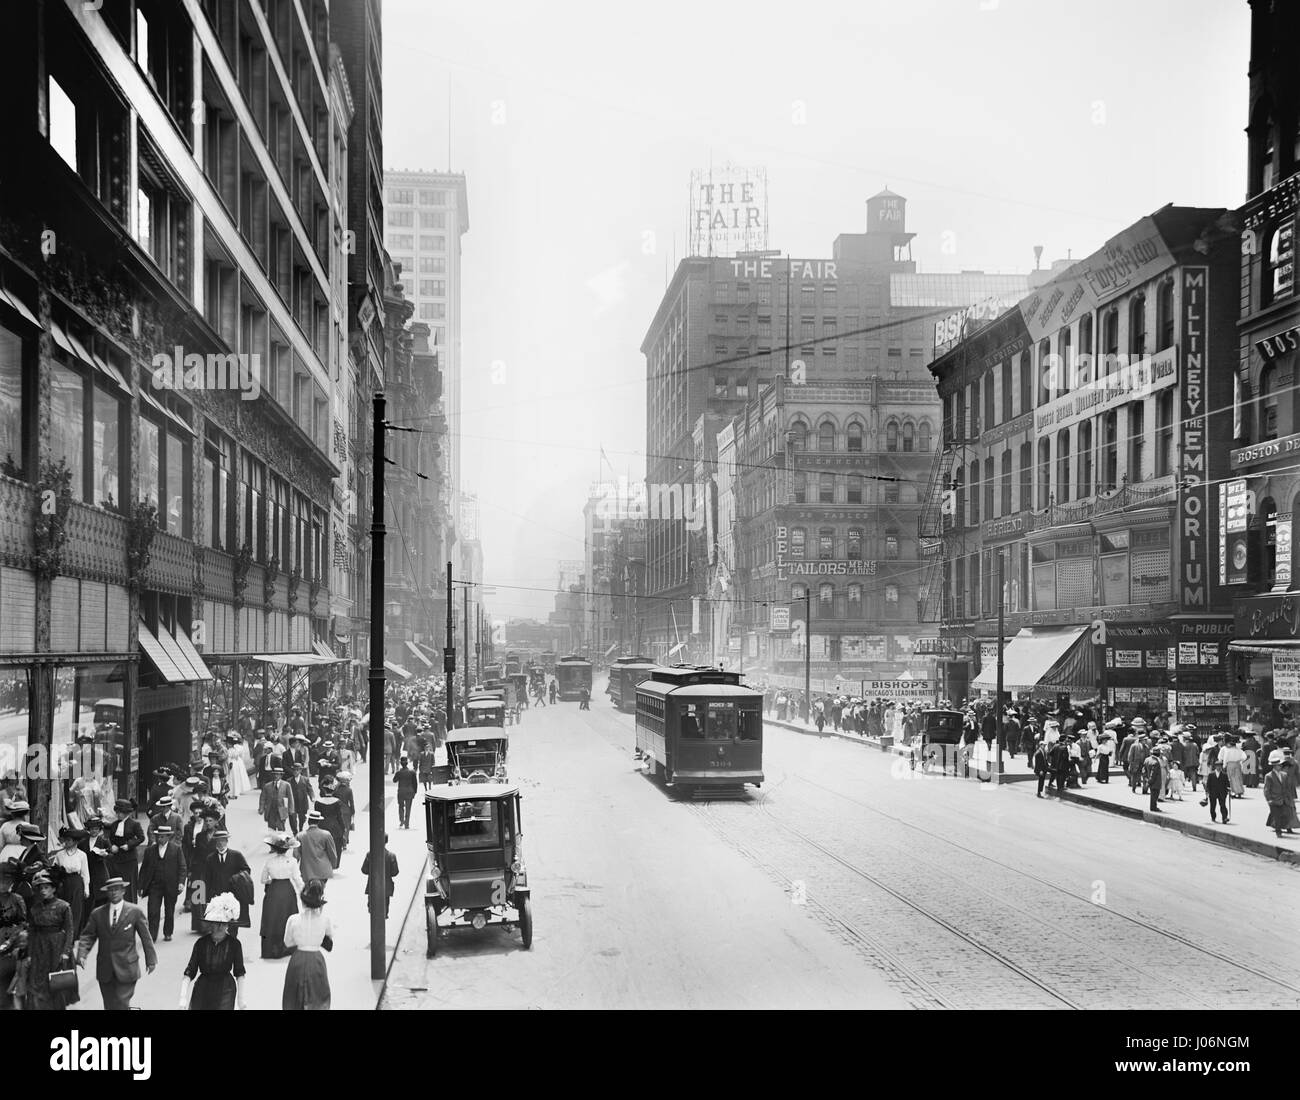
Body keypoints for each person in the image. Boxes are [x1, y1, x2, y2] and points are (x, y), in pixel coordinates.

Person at [76, 876, 155, 1010]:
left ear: (123, 891)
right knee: (109, 1005)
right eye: (111, 890)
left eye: (117, 889)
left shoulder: (134, 912)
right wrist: (82, 954)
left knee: (121, 1002)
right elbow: (88, 935)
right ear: (107, 892)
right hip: (105, 969)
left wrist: (151, 960)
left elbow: (146, 938)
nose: (114, 893)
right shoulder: (97, 914)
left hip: (127, 967)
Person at [179, 892, 247, 1010]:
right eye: (216, 923)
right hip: (203, 988)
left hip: (226, 989)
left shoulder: (234, 944)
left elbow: (239, 972)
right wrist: (183, 997)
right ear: (210, 924)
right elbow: (190, 971)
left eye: (223, 924)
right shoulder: (201, 943)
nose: (219, 927)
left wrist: (241, 999)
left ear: (228, 925)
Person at [26, 871, 77, 1010]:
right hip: (39, 947)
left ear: (54, 889)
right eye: (40, 888)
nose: (43, 891)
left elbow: (70, 930)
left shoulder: (64, 906)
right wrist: (30, 954)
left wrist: (66, 952)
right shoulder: (35, 909)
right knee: (38, 984)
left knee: (57, 983)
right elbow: (31, 932)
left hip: (57, 947)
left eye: (46, 887)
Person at [283, 878, 333, 1010]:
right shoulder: (325, 920)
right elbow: (329, 939)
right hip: (316, 959)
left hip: (298, 958)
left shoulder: (293, 919)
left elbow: (288, 942)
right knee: (318, 996)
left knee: (293, 996)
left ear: (303, 901)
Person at [138, 825, 185, 943]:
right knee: (152, 910)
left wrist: (181, 882)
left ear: (168, 837)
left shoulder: (176, 849)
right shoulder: (150, 851)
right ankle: (152, 935)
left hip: (171, 885)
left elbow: (182, 867)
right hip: (155, 885)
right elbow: (143, 869)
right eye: (158, 836)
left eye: (162, 837)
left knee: (169, 910)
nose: (160, 839)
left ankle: (168, 932)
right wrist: (141, 886)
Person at [199, 830, 252, 933]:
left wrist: (237, 878)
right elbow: (206, 879)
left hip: (233, 897)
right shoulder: (210, 859)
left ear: (227, 841)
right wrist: (206, 899)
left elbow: (246, 871)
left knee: (233, 926)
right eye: (218, 841)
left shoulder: (236, 855)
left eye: (223, 840)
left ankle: (232, 945)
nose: (220, 843)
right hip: (217, 898)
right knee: (217, 926)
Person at [260, 834, 303, 959]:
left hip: (273, 891)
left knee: (272, 919)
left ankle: (271, 949)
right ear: (287, 849)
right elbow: (297, 879)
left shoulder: (269, 862)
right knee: (287, 918)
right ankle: (287, 948)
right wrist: (303, 893)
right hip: (287, 891)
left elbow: (263, 880)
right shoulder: (293, 862)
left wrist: (272, 881)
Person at [50, 827, 90, 935]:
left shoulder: (82, 855)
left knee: (75, 910)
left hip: (76, 883)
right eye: (65, 840)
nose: (66, 842)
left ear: (75, 842)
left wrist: (86, 889)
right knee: (63, 907)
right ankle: (62, 933)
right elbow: (53, 869)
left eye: (69, 840)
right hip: (63, 883)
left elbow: (85, 873)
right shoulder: (60, 854)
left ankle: (72, 935)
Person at [103, 799, 145, 901]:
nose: (118, 815)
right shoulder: (114, 825)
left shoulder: (134, 824)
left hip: (129, 860)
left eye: (121, 813)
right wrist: (111, 846)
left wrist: (129, 845)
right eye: (117, 812)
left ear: (126, 813)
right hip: (116, 860)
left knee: (129, 886)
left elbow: (141, 837)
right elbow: (110, 839)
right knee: (117, 885)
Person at [0, 863, 27, 1010]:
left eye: (7, 882)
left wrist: (10, 941)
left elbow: (23, 924)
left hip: (11, 951)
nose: (4, 885)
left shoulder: (17, 899)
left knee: (11, 991)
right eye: (1, 881)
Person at [1263, 750, 1299, 837]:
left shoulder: (1284, 775)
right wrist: (1269, 799)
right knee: (1277, 816)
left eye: (1280, 765)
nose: (1280, 766)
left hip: (1284, 798)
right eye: (1279, 765)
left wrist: (1289, 797)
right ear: (1274, 766)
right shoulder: (1269, 776)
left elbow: (1286, 788)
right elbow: (1267, 789)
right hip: (1274, 799)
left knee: (1287, 814)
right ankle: (1278, 832)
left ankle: (1287, 828)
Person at [360, 837, 399, 919]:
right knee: (385, 904)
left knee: (372, 908)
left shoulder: (369, 854)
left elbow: (364, 870)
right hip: (386, 886)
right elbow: (395, 872)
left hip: (373, 886)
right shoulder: (391, 856)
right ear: (386, 841)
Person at [296, 810, 337, 882]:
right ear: (318, 822)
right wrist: (333, 865)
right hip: (323, 871)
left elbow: (296, 855)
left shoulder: (300, 836)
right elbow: (332, 853)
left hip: (307, 872)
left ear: (308, 821)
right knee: (320, 891)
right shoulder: (326, 835)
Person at [259, 766, 293, 832]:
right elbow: (262, 798)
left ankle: (281, 841)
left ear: (281, 775)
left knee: (281, 829)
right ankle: (272, 841)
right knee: (271, 828)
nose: (276, 776)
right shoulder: (267, 786)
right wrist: (261, 808)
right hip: (271, 810)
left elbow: (290, 798)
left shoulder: (286, 785)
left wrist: (291, 809)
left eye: (278, 774)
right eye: (274, 774)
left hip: (281, 810)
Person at [287, 763, 314, 836]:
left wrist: (312, 797)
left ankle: (301, 828)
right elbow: (286, 792)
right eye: (294, 770)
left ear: (300, 771)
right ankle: (295, 832)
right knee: (292, 818)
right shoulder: (289, 781)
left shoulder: (305, 779)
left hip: (303, 802)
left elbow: (310, 789)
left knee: (302, 818)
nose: (295, 772)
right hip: (293, 802)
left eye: (297, 770)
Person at [1205, 759, 1231, 824]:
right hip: (1213, 792)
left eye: (1220, 766)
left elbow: (1227, 784)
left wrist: (1229, 789)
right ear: (1215, 767)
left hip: (1222, 793)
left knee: (1223, 806)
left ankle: (1224, 818)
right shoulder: (1211, 774)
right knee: (1213, 806)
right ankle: (1213, 817)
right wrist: (1207, 792)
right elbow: (1208, 784)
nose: (1219, 767)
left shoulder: (1224, 775)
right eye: (1217, 766)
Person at [395, 758, 418, 829]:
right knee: (408, 808)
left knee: (401, 807)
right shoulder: (412, 772)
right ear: (407, 763)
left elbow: (394, 780)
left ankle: (402, 820)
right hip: (409, 792)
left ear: (401, 763)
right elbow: (415, 783)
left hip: (401, 792)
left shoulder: (399, 772)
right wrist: (415, 792)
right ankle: (407, 823)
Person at [1142, 748, 1163, 812]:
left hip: (1148, 779)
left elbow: (1143, 770)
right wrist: (1150, 781)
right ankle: (1153, 807)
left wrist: (1146, 778)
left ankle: (1153, 806)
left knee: (1153, 794)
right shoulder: (1156, 762)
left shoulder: (1147, 759)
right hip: (1155, 781)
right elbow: (1153, 774)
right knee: (1155, 795)